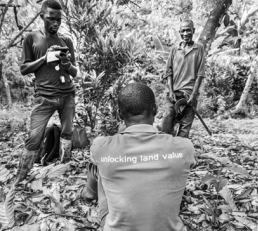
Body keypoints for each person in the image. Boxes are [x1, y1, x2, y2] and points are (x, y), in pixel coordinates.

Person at [80, 82, 196, 231]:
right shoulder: (184, 147)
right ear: (154, 109)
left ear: (119, 113)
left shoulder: (101, 146)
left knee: (100, 166)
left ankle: (88, 194)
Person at [14, 0, 77, 185]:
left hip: (67, 95)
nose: (55, 23)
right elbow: (24, 68)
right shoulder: (31, 38)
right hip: (44, 97)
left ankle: (64, 170)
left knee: (67, 132)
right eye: (51, 19)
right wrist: (44, 58)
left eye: (59, 19)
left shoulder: (66, 40)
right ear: (42, 17)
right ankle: (21, 178)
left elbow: (74, 72)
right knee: (34, 138)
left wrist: (68, 65)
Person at [161, 19, 205, 138]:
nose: (186, 34)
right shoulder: (174, 50)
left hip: (189, 94)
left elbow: (200, 74)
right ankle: (164, 151)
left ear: (193, 31)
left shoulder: (199, 49)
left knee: (185, 129)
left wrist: (194, 94)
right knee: (167, 123)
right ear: (180, 32)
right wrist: (170, 91)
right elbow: (168, 72)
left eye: (188, 30)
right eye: (183, 31)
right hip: (173, 94)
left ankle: (180, 153)